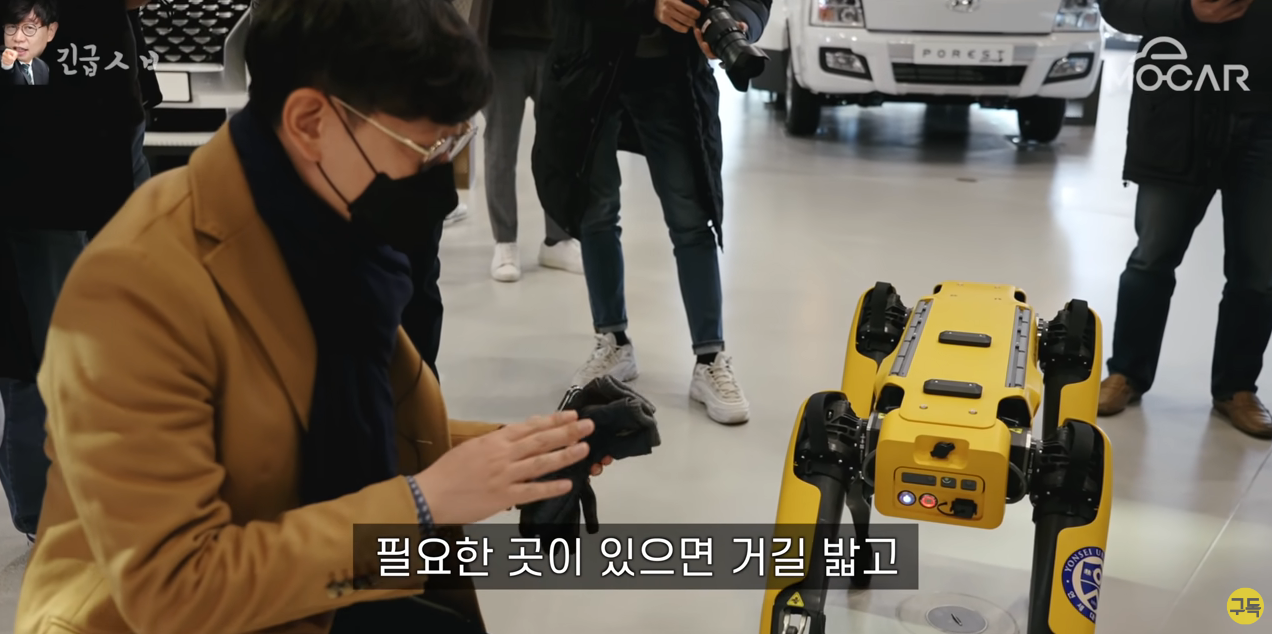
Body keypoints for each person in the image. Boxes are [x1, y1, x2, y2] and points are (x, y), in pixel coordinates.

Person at [15, 1, 611, 632]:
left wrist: (523, 453)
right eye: (426, 146)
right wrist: (422, 504)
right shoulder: (137, 289)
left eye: (455, 142)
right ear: (308, 122)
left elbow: (324, 435)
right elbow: (175, 590)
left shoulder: (328, 231)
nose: (441, 178)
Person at [531, 0, 769, 425]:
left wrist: (738, 21)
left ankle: (710, 357)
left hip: (674, 75)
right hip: (589, 65)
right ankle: (613, 340)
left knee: (691, 216)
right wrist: (647, 6)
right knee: (596, 210)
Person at [1097, 0, 1271, 439]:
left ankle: (1236, 389)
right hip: (1176, 115)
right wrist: (1186, 11)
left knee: (1259, 270)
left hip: (1265, 121)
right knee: (1151, 257)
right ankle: (1126, 373)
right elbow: (1116, 7)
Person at [471, 0, 583, 282]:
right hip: (500, 44)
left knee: (559, 146)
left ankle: (558, 239)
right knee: (500, 147)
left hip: (555, 40)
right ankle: (505, 242)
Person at [1, 0, 57, 85]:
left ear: (50, 32)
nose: (18, 38)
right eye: (12, 27)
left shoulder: (43, 68)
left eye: (29, 28)